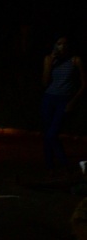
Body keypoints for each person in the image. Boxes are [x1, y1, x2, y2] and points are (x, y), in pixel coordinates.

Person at [40, 35, 86, 178]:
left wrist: (73, 101)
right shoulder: (49, 59)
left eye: (65, 44)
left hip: (64, 99)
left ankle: (66, 166)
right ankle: (50, 168)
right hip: (49, 98)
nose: (62, 46)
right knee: (47, 135)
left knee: (53, 133)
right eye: (59, 43)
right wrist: (50, 62)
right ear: (55, 45)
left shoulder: (75, 60)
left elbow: (85, 83)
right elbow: (45, 82)